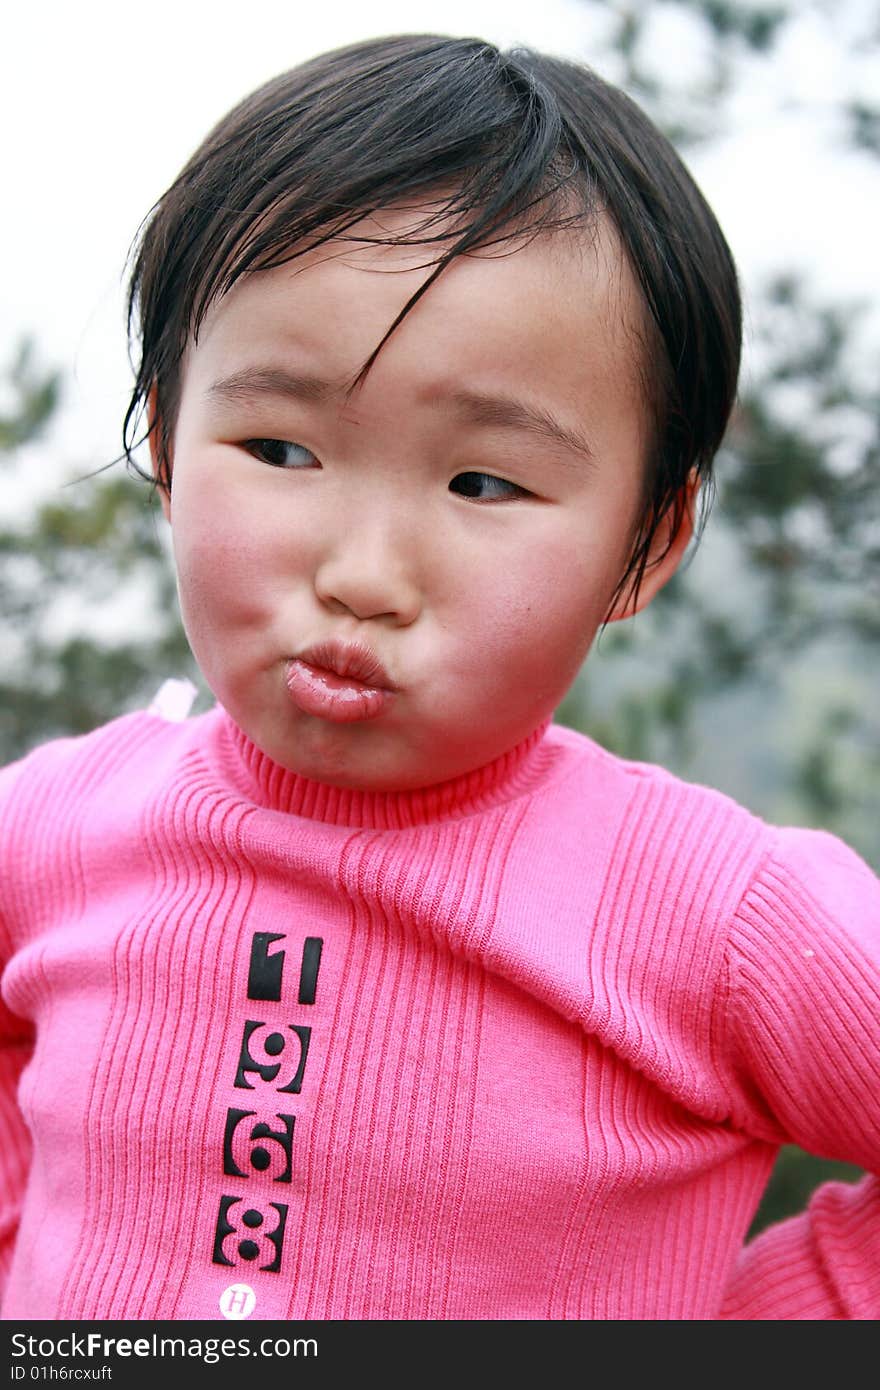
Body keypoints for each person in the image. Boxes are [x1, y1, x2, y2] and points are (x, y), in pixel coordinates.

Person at [1, 33, 878, 1324]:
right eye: (280, 445)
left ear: (651, 540)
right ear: (168, 442)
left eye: (483, 482)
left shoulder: (720, 916)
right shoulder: (52, 827)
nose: (362, 571)